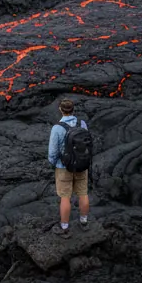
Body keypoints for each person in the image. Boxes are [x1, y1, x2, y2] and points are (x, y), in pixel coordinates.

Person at [48, 98, 90, 238]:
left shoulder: (57, 128)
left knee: (65, 197)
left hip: (63, 166)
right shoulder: (82, 124)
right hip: (81, 164)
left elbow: (52, 152)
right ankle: (84, 222)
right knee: (83, 194)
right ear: (73, 109)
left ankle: (64, 227)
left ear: (60, 109)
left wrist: (54, 164)